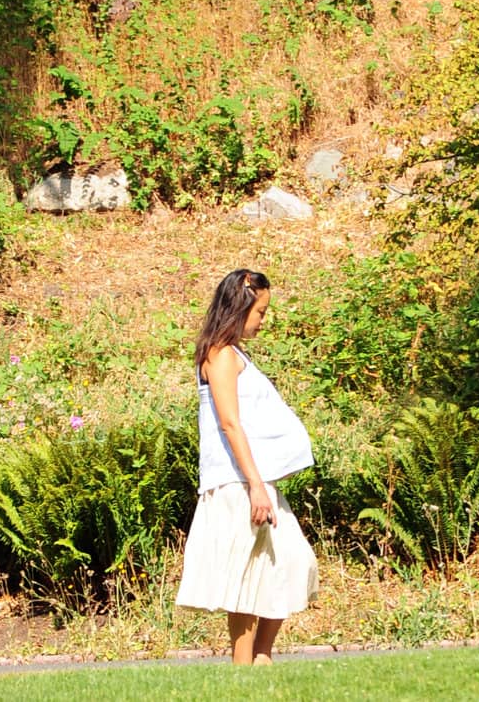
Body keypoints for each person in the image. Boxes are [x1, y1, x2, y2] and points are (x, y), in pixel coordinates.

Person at [175, 268, 318, 664]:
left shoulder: (235, 354)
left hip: (255, 479)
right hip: (238, 482)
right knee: (248, 577)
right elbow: (229, 422)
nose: (263, 320)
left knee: (291, 560)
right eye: (260, 312)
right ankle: (244, 667)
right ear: (239, 309)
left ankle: (261, 657)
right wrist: (255, 485)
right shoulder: (220, 355)